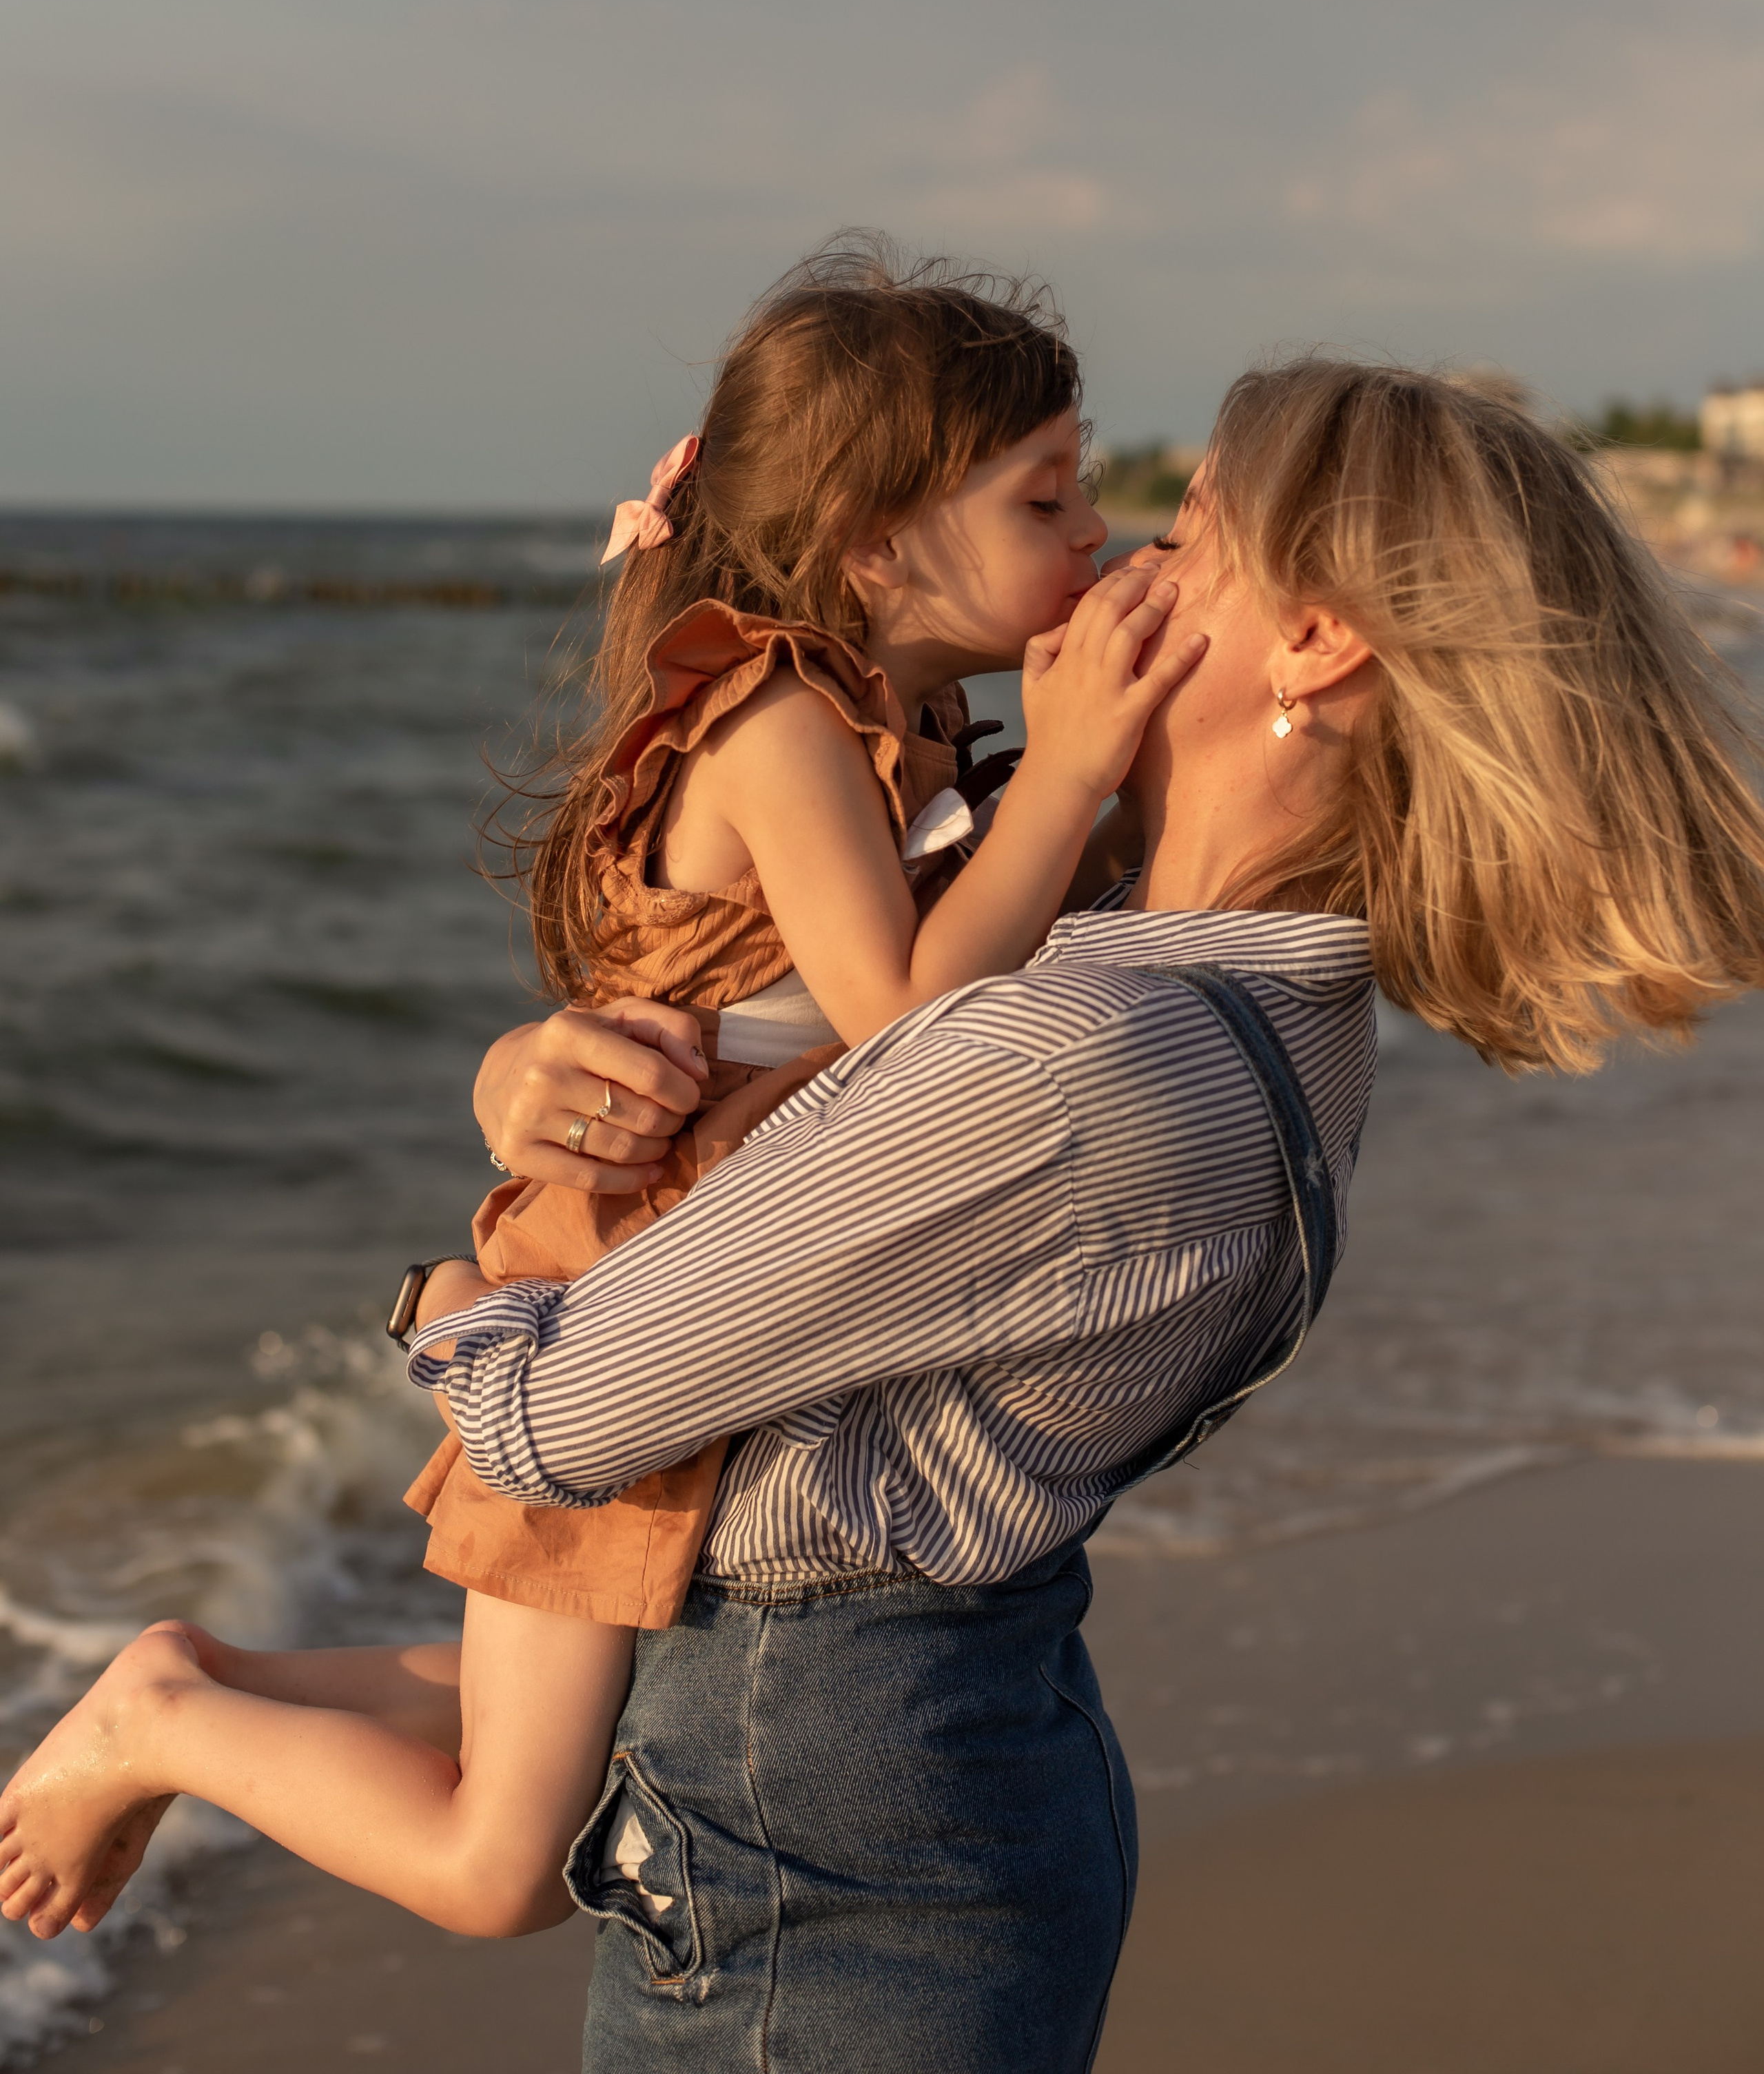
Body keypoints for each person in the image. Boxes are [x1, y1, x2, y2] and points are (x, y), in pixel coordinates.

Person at [12, 352, 1764, 2074]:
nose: (1119, 563)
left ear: (1313, 644)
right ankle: (175, 1708)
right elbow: (825, 1042)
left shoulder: (1077, 1052)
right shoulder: (1259, 1003)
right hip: (935, 1795)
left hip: (817, 1886)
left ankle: (170, 1713)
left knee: (494, 1814)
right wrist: (528, 1070)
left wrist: (452, 1290)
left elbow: (557, 1417)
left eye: (1193, 534)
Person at [0, 237, 1200, 1944]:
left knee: (560, 1702)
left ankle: (204, 1675)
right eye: (1045, 496)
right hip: (615, 1302)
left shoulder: (904, 727)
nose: (1092, 531)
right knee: (501, 1864)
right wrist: (1072, 779)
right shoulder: (782, 723)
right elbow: (910, 1012)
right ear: (875, 543)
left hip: (690, 1280)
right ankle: (168, 1722)